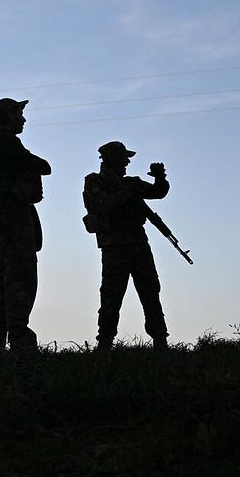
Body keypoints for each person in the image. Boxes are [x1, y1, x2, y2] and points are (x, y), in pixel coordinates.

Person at [0, 98, 51, 351]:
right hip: (15, 222)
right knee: (21, 280)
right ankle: (21, 344)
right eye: (19, 114)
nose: (23, 119)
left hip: (3, 223)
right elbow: (43, 166)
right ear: (8, 116)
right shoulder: (7, 142)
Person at [82, 141, 170, 351]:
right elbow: (99, 206)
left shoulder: (131, 182)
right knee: (111, 296)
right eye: (123, 157)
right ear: (112, 159)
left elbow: (158, 192)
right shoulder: (95, 181)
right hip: (115, 247)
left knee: (150, 292)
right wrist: (125, 193)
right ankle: (104, 343)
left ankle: (160, 339)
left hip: (138, 244)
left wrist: (160, 177)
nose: (127, 162)